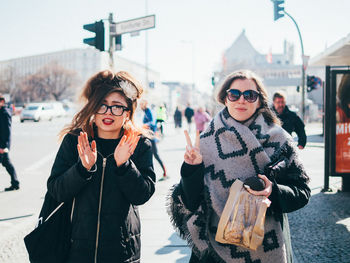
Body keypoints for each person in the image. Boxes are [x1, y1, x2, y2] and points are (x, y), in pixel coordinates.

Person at [168, 70, 310, 263]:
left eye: (249, 95)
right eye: (234, 94)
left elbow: (302, 192)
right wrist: (192, 169)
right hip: (213, 253)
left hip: (266, 248)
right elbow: (189, 203)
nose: (241, 100)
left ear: (259, 101)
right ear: (225, 99)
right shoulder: (205, 142)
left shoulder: (279, 139)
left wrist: (273, 192)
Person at [41, 70, 156, 262]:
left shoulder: (138, 144)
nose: (108, 112)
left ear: (128, 113)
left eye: (117, 107)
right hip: (76, 249)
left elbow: (142, 195)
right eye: (102, 105)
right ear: (94, 108)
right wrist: (81, 169)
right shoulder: (74, 141)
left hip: (121, 251)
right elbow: (56, 190)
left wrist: (124, 166)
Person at [140, 99, 168, 181]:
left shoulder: (149, 111)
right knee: (149, 156)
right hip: (148, 135)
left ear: (145, 104)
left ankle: (165, 173)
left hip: (151, 136)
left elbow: (152, 122)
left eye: (142, 104)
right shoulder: (145, 111)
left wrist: (144, 125)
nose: (140, 106)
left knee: (155, 154)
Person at [0, 94, 20, 191]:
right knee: (6, 163)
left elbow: (7, 131)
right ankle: (15, 183)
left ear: (2, 102)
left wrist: (4, 147)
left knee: (6, 163)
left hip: (2, 145)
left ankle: (15, 183)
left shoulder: (4, 113)